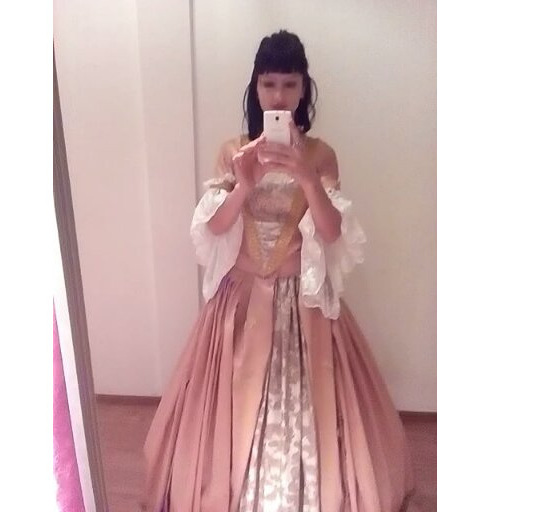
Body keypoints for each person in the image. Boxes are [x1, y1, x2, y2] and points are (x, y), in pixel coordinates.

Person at [141, 29, 415, 512]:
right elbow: (214, 228)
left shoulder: (321, 154)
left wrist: (307, 177)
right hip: (239, 302)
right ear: (256, 86)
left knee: (315, 406)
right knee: (227, 405)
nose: (279, 96)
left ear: (305, 87)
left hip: (302, 303)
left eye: (290, 84)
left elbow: (331, 232)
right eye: (269, 84)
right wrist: (245, 185)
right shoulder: (234, 151)